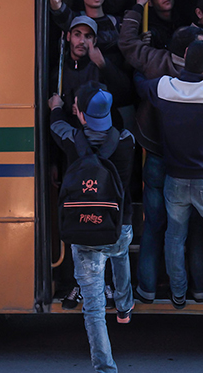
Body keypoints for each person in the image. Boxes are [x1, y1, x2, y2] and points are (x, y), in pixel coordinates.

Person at [119, 0, 203, 304]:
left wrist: (136, 75)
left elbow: (141, 85)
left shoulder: (163, 86)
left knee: (171, 237)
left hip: (173, 174)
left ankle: (176, 294)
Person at [48, 82, 135, 373]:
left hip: (84, 230)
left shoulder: (71, 139)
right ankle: (124, 308)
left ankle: (105, 368)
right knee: (120, 256)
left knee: (94, 308)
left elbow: (56, 124)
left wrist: (57, 107)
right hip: (118, 224)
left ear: (81, 115)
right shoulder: (126, 141)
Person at [53, 15, 131, 128]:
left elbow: (125, 93)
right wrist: (69, 108)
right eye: (77, 34)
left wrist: (103, 65)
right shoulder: (59, 71)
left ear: (94, 41)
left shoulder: (102, 66)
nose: (82, 41)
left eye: (88, 36)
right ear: (69, 36)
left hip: (100, 133)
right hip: (71, 134)